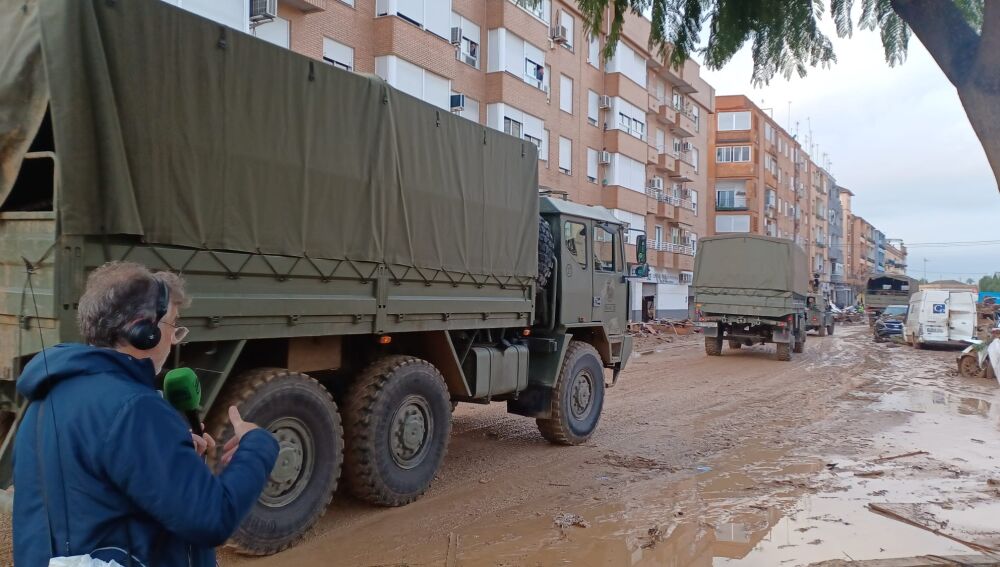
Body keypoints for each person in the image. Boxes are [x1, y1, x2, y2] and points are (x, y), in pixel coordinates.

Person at [13, 262, 280, 566]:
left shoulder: (46, 396)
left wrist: (169, 452)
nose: (175, 338)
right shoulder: (134, 407)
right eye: (173, 326)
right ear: (144, 330)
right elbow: (212, 518)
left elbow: (89, 488)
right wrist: (257, 446)